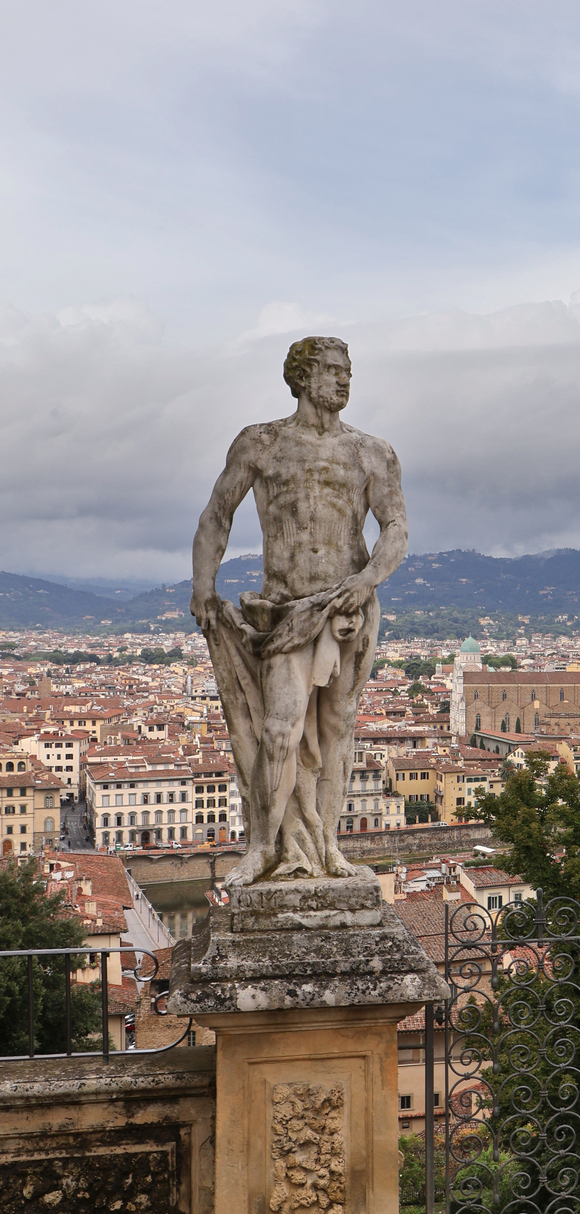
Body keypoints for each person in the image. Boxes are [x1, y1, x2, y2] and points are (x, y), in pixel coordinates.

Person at [190, 336, 407, 883]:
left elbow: (396, 528)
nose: (344, 380)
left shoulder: (372, 452)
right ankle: (266, 846)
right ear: (302, 377)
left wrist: (366, 580)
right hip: (285, 611)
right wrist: (203, 584)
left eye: (348, 371)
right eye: (332, 370)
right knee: (280, 731)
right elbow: (217, 514)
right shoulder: (262, 443)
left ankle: (328, 848)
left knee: (338, 729)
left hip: (347, 606)